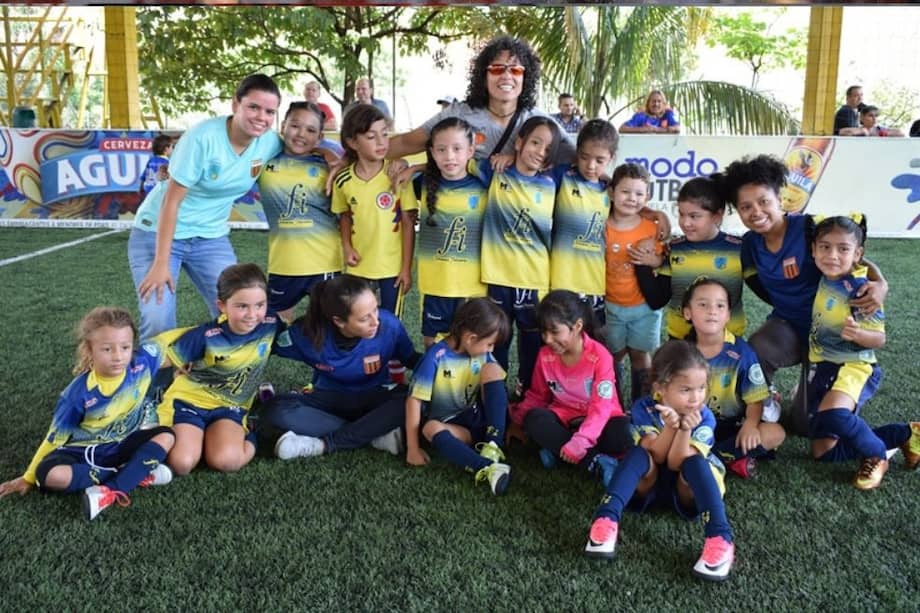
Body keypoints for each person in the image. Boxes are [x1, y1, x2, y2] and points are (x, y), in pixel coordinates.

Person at [723, 154, 888, 435]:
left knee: (806, 427)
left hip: (828, 332)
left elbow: (853, 254)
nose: (756, 211)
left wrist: (881, 284)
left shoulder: (809, 227)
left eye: (763, 201)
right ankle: (767, 397)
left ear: (779, 198)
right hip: (788, 326)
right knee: (757, 348)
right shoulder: (750, 244)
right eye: (745, 206)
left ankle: (816, 389)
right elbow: (758, 285)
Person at [129, 73, 282, 342]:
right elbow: (171, 201)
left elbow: (305, 147)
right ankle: (158, 384)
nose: (261, 117)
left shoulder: (268, 142)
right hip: (159, 232)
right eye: (254, 107)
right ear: (236, 104)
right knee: (158, 320)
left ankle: (231, 378)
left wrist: (330, 155)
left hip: (210, 237)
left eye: (270, 111)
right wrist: (161, 262)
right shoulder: (202, 138)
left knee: (240, 309)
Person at [0, 307, 174, 521]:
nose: (118, 356)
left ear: (132, 347)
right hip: (84, 453)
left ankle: (110, 491)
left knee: (166, 435)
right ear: (89, 351)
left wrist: (208, 334)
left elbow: (166, 340)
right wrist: (27, 477)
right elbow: (54, 439)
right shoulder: (76, 395)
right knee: (48, 474)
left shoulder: (141, 361)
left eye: (125, 347)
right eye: (107, 349)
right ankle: (134, 474)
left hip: (123, 443)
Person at [584, 340, 734, 582]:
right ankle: (606, 519)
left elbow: (677, 463)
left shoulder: (704, 417)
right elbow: (657, 454)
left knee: (695, 463)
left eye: (701, 388)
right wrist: (670, 427)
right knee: (638, 454)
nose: (696, 398)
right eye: (686, 390)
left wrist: (683, 429)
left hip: (686, 489)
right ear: (661, 388)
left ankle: (720, 538)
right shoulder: (644, 408)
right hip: (649, 483)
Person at [805, 215, 919, 490]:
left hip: (854, 366)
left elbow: (879, 338)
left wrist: (858, 334)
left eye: (843, 249)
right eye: (825, 247)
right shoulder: (823, 275)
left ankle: (876, 455)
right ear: (814, 250)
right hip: (823, 366)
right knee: (823, 452)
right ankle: (907, 433)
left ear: (857, 254)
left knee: (834, 415)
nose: (832, 255)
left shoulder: (862, 290)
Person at [261, 274, 420, 460]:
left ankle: (324, 445)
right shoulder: (306, 335)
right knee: (275, 409)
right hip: (329, 400)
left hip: (376, 396)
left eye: (375, 310)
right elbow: (266, 347)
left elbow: (410, 358)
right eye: (364, 318)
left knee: (412, 400)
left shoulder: (390, 325)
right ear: (339, 321)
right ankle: (374, 433)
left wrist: (441, 361)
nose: (375, 321)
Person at [156, 263, 282, 476]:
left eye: (260, 305)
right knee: (182, 463)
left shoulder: (271, 323)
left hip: (230, 406)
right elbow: (160, 359)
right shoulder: (206, 336)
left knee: (227, 462)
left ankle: (254, 431)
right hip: (190, 402)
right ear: (222, 305)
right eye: (242, 306)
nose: (252, 314)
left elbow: (298, 338)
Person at [386, 35, 574, 165]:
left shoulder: (540, 123)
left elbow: (577, 158)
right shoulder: (459, 114)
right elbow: (406, 143)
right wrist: (362, 153)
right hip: (465, 217)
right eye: (497, 69)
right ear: (483, 76)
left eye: (516, 70)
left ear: (526, 78)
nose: (507, 76)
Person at [510, 290, 631, 483]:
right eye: (544, 332)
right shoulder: (545, 355)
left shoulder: (601, 357)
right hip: (564, 418)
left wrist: (581, 441)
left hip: (600, 421)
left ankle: (559, 450)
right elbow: (537, 396)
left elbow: (601, 408)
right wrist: (516, 421)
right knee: (535, 419)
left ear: (577, 326)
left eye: (555, 331)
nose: (548, 339)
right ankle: (596, 461)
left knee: (624, 432)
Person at [479, 115, 562, 394]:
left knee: (533, 341)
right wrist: (413, 165)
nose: (540, 152)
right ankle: (497, 391)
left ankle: (527, 391)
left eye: (547, 149)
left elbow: (596, 177)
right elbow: (453, 161)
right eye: (535, 143)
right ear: (519, 141)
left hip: (532, 279)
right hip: (497, 276)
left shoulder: (554, 181)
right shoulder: (494, 171)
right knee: (498, 337)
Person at [405, 298, 512, 496]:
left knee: (493, 369)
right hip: (455, 428)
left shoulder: (483, 355)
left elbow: (496, 391)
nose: (491, 350)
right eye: (489, 344)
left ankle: (494, 444)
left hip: (480, 420)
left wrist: (511, 423)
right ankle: (487, 468)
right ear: (470, 338)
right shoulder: (436, 357)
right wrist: (413, 448)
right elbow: (414, 401)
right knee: (431, 427)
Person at [682, 277, 785, 479]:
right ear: (688, 312)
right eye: (703, 304)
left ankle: (710, 461)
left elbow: (755, 398)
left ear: (728, 314)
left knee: (775, 433)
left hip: (730, 426)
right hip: (691, 425)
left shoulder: (741, 353)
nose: (712, 310)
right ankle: (730, 460)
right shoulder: (680, 353)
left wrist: (750, 424)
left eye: (720, 305)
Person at [401, 117, 488, 347]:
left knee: (472, 343)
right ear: (432, 151)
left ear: (470, 150)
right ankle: (434, 382)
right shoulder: (419, 184)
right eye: (441, 149)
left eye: (457, 149)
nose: (449, 156)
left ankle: (469, 384)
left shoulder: (484, 187)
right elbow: (406, 223)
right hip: (435, 284)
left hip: (473, 286)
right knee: (433, 344)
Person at [635, 175, 746, 341]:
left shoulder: (739, 249)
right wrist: (643, 262)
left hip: (727, 340)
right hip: (680, 339)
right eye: (681, 214)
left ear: (717, 216)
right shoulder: (675, 248)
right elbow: (657, 300)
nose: (685, 223)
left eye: (694, 216)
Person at [260, 101, 342, 322]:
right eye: (295, 126)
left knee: (329, 331)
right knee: (269, 329)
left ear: (320, 136)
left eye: (311, 130)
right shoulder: (264, 162)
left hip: (324, 262)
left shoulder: (330, 167)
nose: (301, 134)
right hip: (283, 263)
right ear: (283, 125)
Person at [332, 104, 416, 314]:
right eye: (371, 137)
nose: (381, 142)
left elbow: (408, 223)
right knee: (357, 319)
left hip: (392, 269)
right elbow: (344, 217)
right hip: (359, 267)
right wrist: (347, 247)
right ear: (353, 142)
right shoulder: (343, 180)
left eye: (384, 134)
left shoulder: (398, 175)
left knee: (389, 323)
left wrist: (406, 268)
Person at [604, 162, 665, 405]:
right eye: (626, 192)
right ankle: (613, 405)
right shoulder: (602, 225)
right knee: (613, 355)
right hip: (610, 307)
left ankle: (642, 406)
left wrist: (656, 259)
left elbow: (663, 262)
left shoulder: (652, 227)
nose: (632, 198)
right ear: (612, 193)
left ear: (647, 197)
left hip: (644, 308)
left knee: (641, 355)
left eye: (639, 193)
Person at [549, 119, 617, 325]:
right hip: (560, 279)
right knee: (556, 341)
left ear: (611, 158)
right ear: (576, 152)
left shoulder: (611, 190)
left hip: (594, 282)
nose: (591, 165)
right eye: (585, 157)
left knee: (591, 345)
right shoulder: (562, 176)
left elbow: (634, 207)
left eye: (600, 160)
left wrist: (659, 215)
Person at [839, 105, 905, 137]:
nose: (874, 118)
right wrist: (862, 131)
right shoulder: (858, 129)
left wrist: (884, 133)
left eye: (876, 116)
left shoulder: (880, 129)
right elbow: (842, 132)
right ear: (862, 117)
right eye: (870, 115)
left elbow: (901, 133)